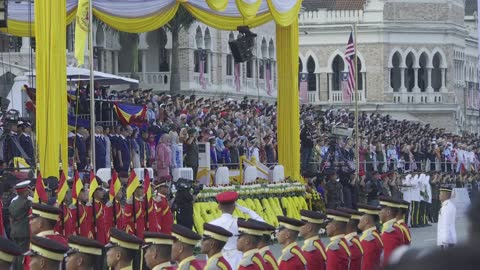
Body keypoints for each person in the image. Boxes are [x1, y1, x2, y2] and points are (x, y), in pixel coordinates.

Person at [209, 191, 263, 269]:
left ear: (219, 206)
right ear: (234, 207)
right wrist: (248, 211)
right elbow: (263, 224)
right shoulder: (239, 223)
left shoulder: (211, 224)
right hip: (237, 260)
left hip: (218, 261)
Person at [9, 180, 32, 270]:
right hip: (24, 232)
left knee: (16, 253)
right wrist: (33, 194)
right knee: (23, 254)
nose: (28, 192)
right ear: (24, 192)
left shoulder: (13, 203)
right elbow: (36, 205)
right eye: (27, 191)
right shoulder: (26, 203)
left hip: (14, 231)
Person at [378, 196, 405, 266]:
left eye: (381, 210)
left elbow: (388, 259)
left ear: (388, 213)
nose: (378, 213)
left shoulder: (390, 232)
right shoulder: (393, 227)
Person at [357, 203, 383, 270]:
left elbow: (367, 265)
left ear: (366, 221)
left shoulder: (367, 240)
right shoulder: (375, 234)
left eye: (360, 216)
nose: (358, 220)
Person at [86, 178, 107, 244]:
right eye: (100, 190)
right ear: (94, 191)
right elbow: (88, 222)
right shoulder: (90, 206)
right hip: (95, 234)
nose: (102, 192)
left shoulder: (101, 204)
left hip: (102, 234)